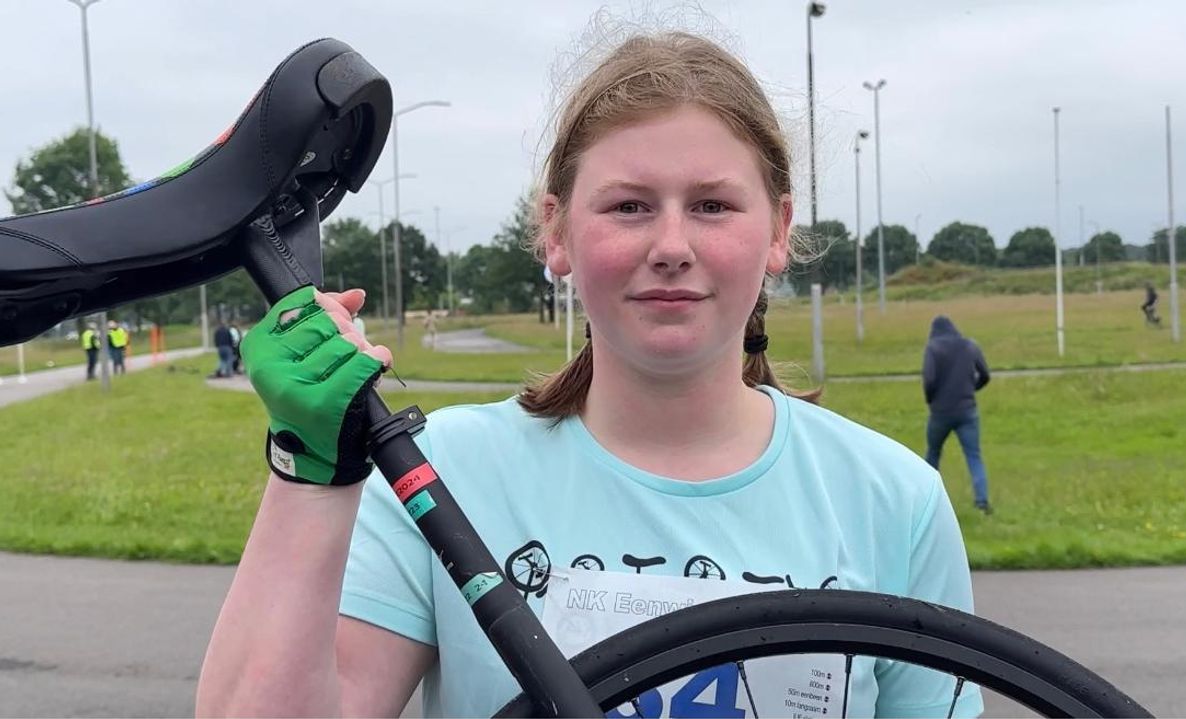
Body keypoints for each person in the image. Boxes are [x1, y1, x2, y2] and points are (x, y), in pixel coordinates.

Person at [196, 31, 982, 718]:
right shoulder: (438, 477)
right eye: (629, 206)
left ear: (778, 229)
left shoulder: (893, 501)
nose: (671, 245)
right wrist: (309, 473)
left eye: (712, 205)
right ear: (557, 231)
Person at [922, 316, 992, 514]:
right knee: (973, 455)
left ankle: (925, 499)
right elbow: (985, 374)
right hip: (967, 410)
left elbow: (929, 380)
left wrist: (931, 400)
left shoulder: (933, 348)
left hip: (940, 412)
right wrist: (972, 389)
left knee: (933, 453)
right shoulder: (970, 345)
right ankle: (982, 501)